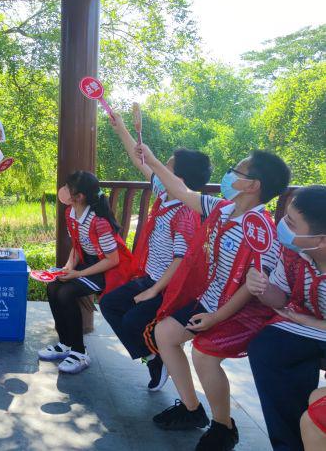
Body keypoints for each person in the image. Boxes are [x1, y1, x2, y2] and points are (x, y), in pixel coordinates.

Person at [138, 144, 290, 451]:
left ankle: (224, 426)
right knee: (165, 332)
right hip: (211, 299)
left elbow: (251, 288)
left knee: (204, 356)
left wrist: (216, 318)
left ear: (252, 185)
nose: (229, 173)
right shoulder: (221, 208)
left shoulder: (262, 232)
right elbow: (180, 191)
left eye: (236, 169)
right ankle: (192, 410)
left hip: (242, 310)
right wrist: (152, 160)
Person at [100, 112, 210, 391]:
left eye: (165, 166)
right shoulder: (163, 192)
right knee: (110, 304)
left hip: (170, 287)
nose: (158, 169)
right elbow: (140, 159)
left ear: (178, 178)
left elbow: (180, 260)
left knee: (133, 319)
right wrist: (121, 129)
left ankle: (162, 351)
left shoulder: (187, 212)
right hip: (150, 278)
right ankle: (153, 356)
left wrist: (153, 290)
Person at [246, 185, 326, 451]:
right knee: (266, 349)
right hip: (306, 323)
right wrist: (261, 288)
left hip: (314, 324)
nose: (283, 226)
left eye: (291, 223)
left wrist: (312, 323)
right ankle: (290, 443)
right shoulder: (294, 252)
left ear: (321, 239)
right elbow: (280, 299)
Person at [38, 171, 134, 374]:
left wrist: (78, 275)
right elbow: (77, 246)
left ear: (79, 196)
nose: (63, 191)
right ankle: (65, 344)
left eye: (68, 188)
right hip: (89, 265)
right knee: (54, 287)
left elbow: (113, 260)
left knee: (66, 293)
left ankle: (80, 352)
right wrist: (68, 267)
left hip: (108, 271)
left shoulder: (98, 221)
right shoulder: (71, 213)